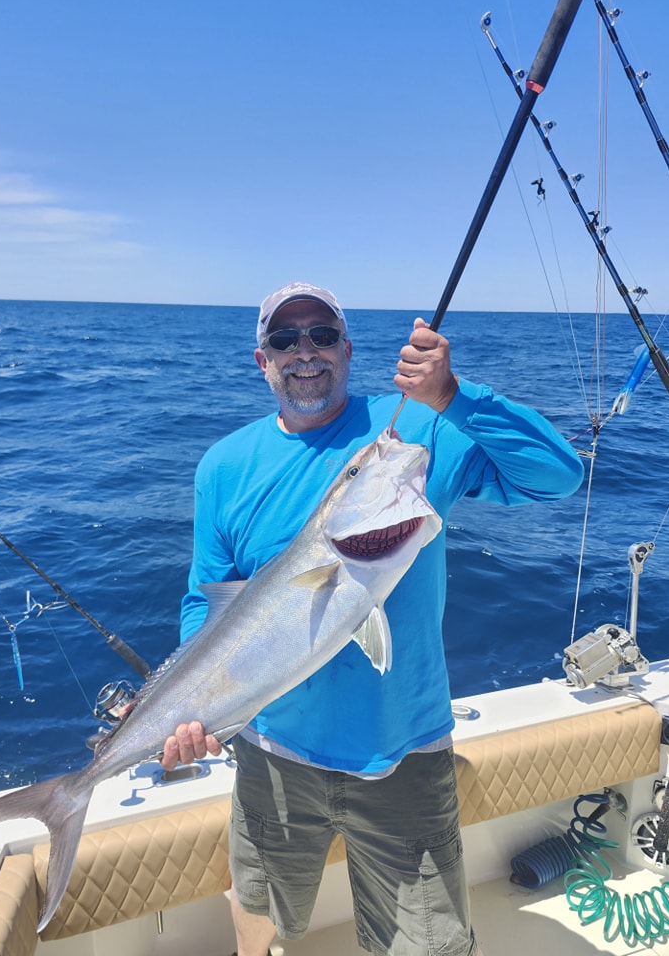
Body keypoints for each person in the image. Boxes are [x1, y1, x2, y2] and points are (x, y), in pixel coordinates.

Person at [162, 281, 584, 956]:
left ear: (348, 349)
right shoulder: (223, 466)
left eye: (323, 335)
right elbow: (203, 599)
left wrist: (452, 395)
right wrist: (194, 703)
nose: (305, 352)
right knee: (259, 920)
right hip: (270, 755)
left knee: (427, 944)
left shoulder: (410, 429)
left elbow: (558, 476)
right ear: (261, 360)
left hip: (404, 752)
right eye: (284, 339)